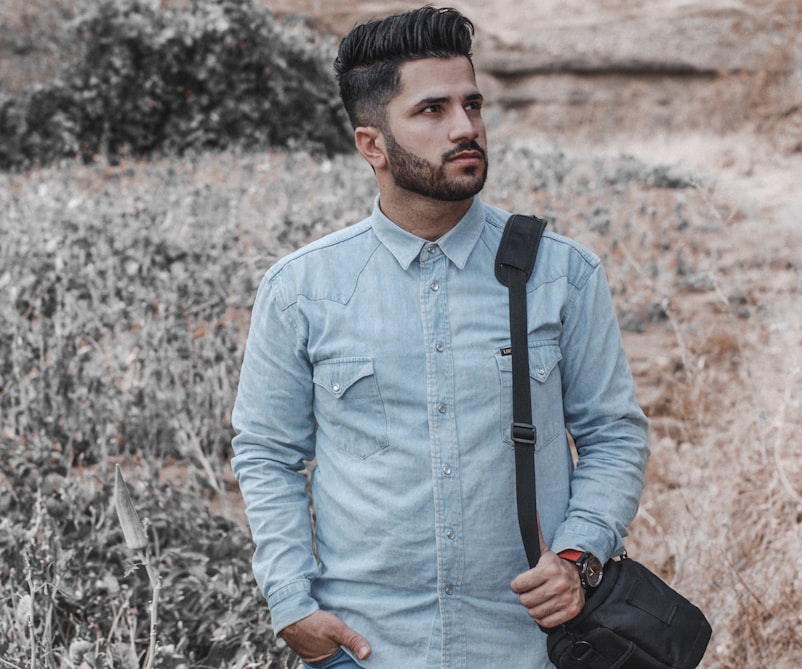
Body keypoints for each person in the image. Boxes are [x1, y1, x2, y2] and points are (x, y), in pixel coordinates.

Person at [230, 6, 649, 668]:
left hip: (531, 649)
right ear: (373, 144)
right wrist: (292, 601)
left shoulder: (561, 272)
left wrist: (579, 555)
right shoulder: (302, 289)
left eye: (472, 104)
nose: (466, 128)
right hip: (366, 649)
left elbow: (613, 432)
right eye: (433, 110)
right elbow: (267, 452)